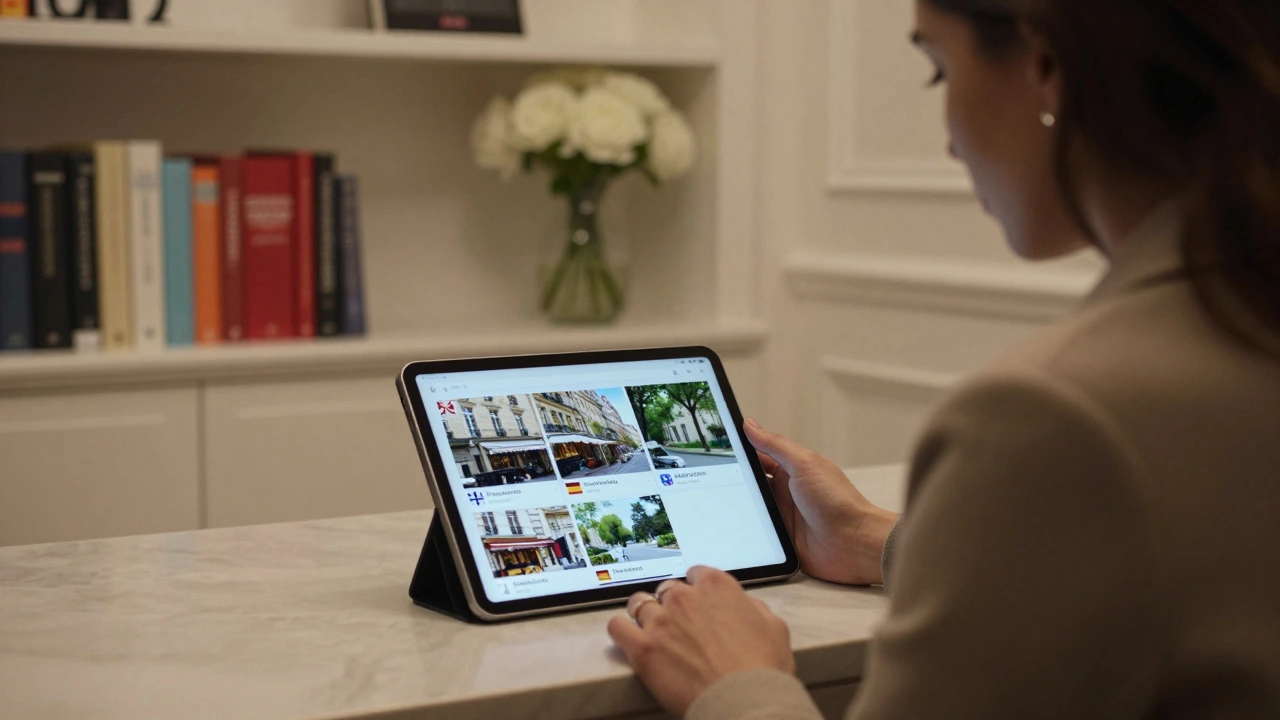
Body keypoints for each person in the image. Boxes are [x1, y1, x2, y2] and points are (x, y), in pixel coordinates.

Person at [607, 1, 1280, 718]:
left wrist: (733, 681)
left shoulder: (1055, 414)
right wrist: (871, 537)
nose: (951, 143)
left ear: (1045, 65)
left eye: (938, 70)